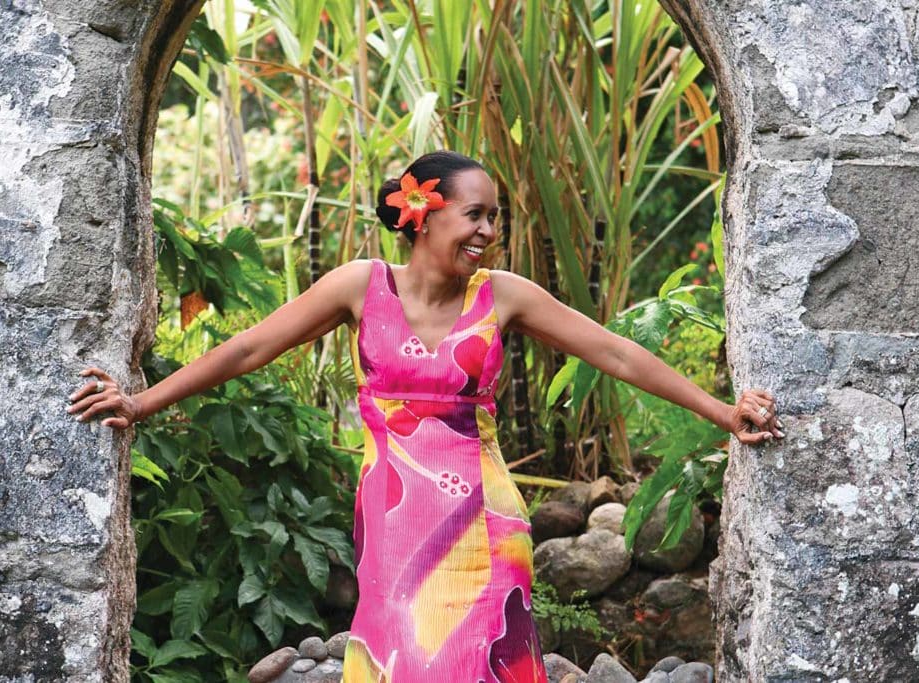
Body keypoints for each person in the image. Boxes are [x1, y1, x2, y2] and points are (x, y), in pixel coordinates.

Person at [66, 149, 785, 681]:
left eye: (495, 217)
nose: (489, 230)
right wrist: (141, 399)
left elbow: (618, 354)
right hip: (394, 512)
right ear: (424, 212)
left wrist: (723, 411)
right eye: (476, 213)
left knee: (485, 658)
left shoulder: (504, 295)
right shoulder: (359, 285)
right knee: (401, 656)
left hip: (488, 516)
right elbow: (250, 346)